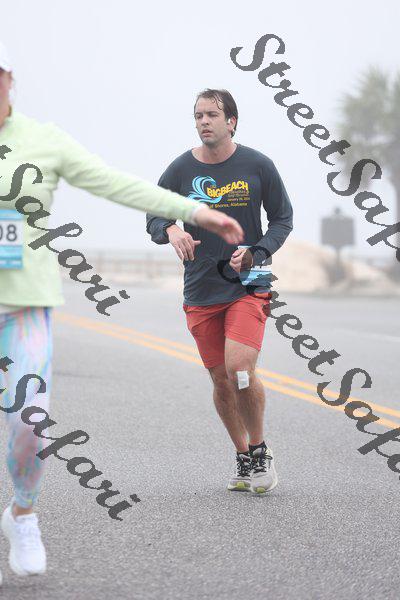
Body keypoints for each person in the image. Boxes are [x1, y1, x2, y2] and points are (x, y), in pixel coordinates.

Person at [0, 46, 244, 584]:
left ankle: (22, 513)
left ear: (10, 79)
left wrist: (193, 211)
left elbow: (113, 182)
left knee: (29, 424)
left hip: (22, 307)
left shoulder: (43, 140)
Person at [146, 88, 293, 497]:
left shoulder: (258, 165)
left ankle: (260, 451)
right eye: (198, 115)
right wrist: (170, 228)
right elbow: (154, 211)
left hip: (249, 281)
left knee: (239, 369)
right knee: (220, 379)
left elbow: (282, 219)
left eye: (212, 114)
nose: (204, 122)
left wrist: (257, 251)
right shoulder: (181, 169)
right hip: (200, 287)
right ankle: (242, 455)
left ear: (232, 121)